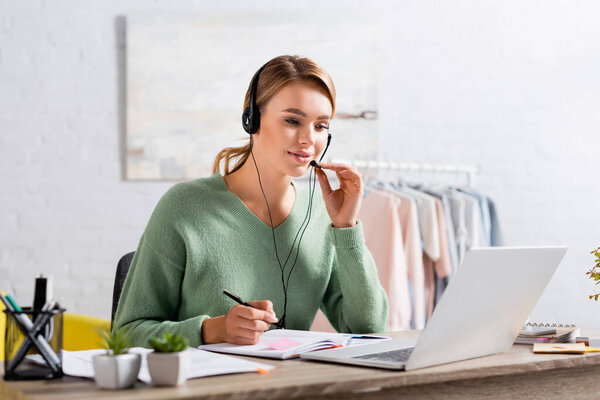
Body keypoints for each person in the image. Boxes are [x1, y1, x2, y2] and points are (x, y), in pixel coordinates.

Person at [113, 55, 388, 347]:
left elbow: (370, 329)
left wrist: (346, 226)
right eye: (293, 121)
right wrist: (212, 330)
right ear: (252, 120)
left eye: (321, 126)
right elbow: (127, 335)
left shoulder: (320, 213)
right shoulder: (184, 207)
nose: (309, 139)